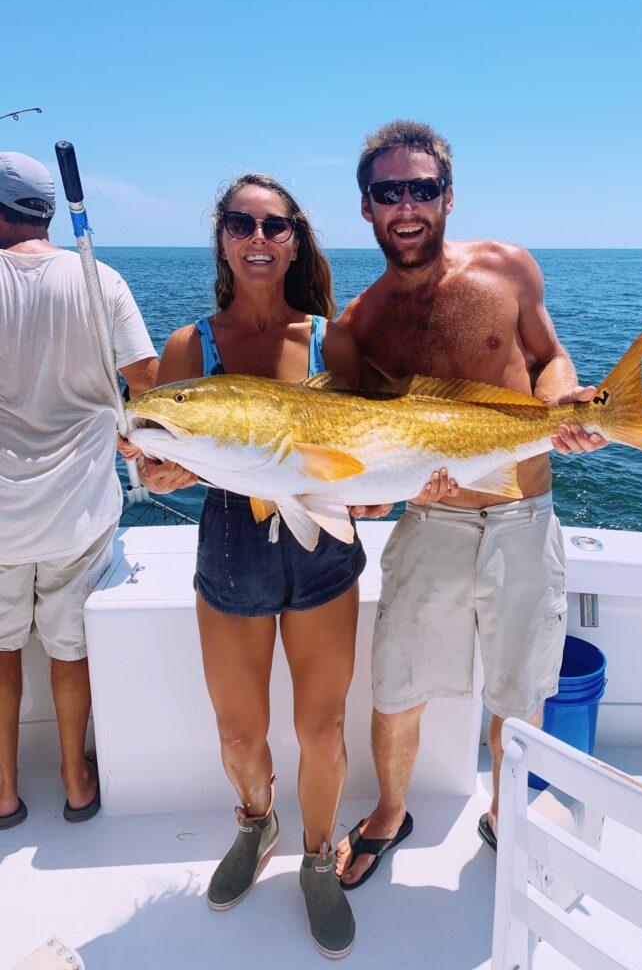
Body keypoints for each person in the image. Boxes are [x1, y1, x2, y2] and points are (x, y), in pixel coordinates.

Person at [335, 121, 607, 888]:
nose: (407, 205)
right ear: (366, 207)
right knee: (397, 687)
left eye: (422, 188)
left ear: (448, 197)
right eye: (389, 191)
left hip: (525, 515)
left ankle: (503, 814)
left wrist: (564, 405)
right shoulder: (355, 327)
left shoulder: (507, 267)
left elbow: (550, 358)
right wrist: (367, 501)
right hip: (434, 520)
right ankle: (390, 814)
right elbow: (362, 452)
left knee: (520, 692)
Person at [127, 174, 363, 959]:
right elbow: (158, 449)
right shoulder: (189, 346)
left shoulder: (333, 340)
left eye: (274, 225)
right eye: (240, 223)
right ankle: (257, 824)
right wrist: (158, 471)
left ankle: (319, 858)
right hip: (231, 539)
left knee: (322, 729)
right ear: (222, 238)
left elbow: (366, 448)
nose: (257, 238)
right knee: (239, 733)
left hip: (321, 540)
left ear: (295, 240)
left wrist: (393, 487)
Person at [0, 151, 158, 829]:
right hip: (78, 513)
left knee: (2, 649)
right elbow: (147, 381)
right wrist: (128, 428)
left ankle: (4, 791)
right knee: (70, 649)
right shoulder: (101, 280)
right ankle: (75, 780)